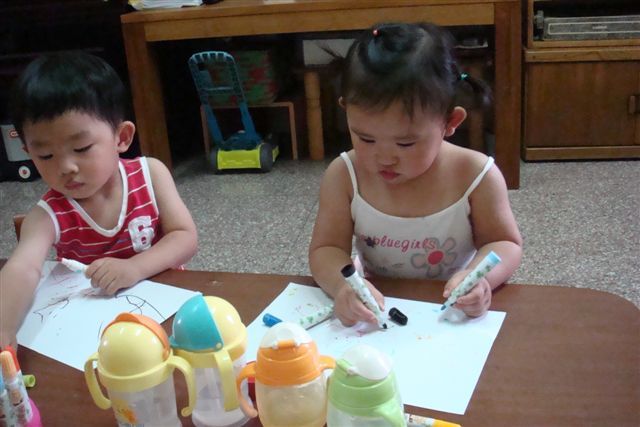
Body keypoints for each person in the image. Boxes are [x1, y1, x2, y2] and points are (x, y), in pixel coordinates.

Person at [309, 23, 522, 325]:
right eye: (365, 138)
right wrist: (342, 285)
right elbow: (326, 249)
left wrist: (480, 279)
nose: (384, 158)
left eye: (406, 143)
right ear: (346, 112)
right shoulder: (344, 175)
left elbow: (504, 243)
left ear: (450, 122)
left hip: (449, 314)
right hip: (380, 312)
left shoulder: (476, 175)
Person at [0, 51, 198, 349]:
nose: (66, 167)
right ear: (28, 151)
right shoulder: (48, 215)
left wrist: (133, 268)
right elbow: (22, 268)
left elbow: (185, 237)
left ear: (122, 137)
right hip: (95, 331)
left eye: (81, 148)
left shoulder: (151, 174)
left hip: (167, 307)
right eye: (46, 155)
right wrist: (4, 328)